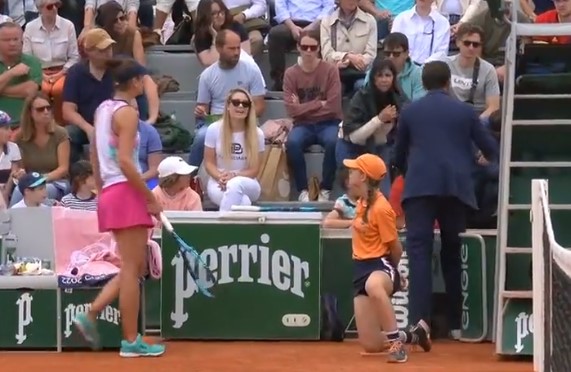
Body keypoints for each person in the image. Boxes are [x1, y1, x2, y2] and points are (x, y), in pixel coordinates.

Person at [393, 61, 497, 341]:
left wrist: (410, 173)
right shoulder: (464, 111)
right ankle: (455, 324)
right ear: (448, 82)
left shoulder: (410, 111)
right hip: (455, 188)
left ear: (424, 83)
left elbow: (397, 155)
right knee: (452, 253)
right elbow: (490, 148)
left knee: (418, 254)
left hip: (419, 189)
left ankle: (419, 323)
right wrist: (470, 165)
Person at [72, 58, 165, 357]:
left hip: (111, 192)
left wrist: (101, 189)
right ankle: (129, 341)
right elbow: (125, 161)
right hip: (125, 191)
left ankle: (92, 313)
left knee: (131, 267)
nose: (146, 83)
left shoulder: (102, 110)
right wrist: (149, 197)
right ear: (136, 82)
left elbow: (96, 157)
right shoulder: (127, 115)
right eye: (144, 79)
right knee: (131, 268)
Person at [342, 153, 431, 363]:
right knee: (370, 344)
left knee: (375, 286)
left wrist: (394, 275)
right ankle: (414, 335)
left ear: (363, 177)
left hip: (380, 265)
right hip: (360, 270)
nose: (349, 173)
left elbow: (395, 247)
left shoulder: (382, 208)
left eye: (353, 170)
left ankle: (397, 347)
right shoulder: (361, 202)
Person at [189, 29, 266, 168]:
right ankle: (190, 179)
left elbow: (259, 106)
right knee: (201, 136)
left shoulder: (252, 70)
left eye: (238, 48)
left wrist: (241, 116)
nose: (236, 52)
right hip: (217, 121)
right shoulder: (207, 75)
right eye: (231, 49)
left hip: (244, 118)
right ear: (219, 48)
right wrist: (201, 111)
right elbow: (203, 108)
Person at [283, 30, 342, 202]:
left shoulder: (330, 70)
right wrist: (318, 103)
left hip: (329, 122)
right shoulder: (291, 74)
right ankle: (302, 190)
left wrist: (302, 106)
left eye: (313, 47)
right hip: (303, 124)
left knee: (334, 142)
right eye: (304, 47)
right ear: (298, 48)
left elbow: (333, 106)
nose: (308, 51)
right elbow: (291, 110)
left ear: (318, 49)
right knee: (292, 142)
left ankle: (326, 188)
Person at [338, 58, 406, 197]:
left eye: (388, 75)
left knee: (384, 194)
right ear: (373, 77)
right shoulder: (361, 96)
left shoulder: (398, 99)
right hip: (351, 146)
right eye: (379, 75)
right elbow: (354, 137)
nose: (384, 80)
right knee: (354, 194)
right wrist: (379, 119)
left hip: (380, 146)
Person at [95, 1, 159, 123]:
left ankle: (147, 121)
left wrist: (153, 118)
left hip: (130, 80)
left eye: (122, 18)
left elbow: (142, 72)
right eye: (115, 20)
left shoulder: (133, 34)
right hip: (107, 82)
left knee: (142, 85)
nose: (120, 22)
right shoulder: (100, 38)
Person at [204, 88, 264, 211]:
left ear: (249, 108)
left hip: (248, 182)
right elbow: (209, 163)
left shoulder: (258, 134)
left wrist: (234, 176)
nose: (240, 106)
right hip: (218, 181)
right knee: (245, 203)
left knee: (235, 184)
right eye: (236, 102)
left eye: (245, 104)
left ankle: (222, 227)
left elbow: (255, 170)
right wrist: (221, 177)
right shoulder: (214, 129)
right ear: (228, 106)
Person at [62, 28, 115, 164]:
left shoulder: (119, 70)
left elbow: (131, 102)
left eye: (109, 48)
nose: (108, 53)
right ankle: (78, 175)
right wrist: (88, 128)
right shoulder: (76, 73)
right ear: (89, 52)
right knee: (67, 134)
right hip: (86, 126)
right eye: (102, 50)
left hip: (116, 126)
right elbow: (68, 111)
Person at [23, 0, 80, 125]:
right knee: (42, 90)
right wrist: (41, 75)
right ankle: (43, 124)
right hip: (39, 71)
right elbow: (27, 58)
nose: (54, 8)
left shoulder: (68, 25)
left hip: (63, 70)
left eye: (57, 5)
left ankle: (62, 124)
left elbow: (75, 57)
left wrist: (60, 74)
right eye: (50, 6)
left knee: (59, 90)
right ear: (40, 9)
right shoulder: (30, 27)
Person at [12, 93, 71, 206]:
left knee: (32, 193)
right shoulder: (20, 137)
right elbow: (21, 167)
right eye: (40, 109)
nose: (46, 112)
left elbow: (63, 169)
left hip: (56, 182)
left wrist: (39, 180)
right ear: (30, 113)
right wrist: (20, 174)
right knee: (22, 191)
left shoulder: (60, 134)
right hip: (29, 184)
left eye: (48, 108)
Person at [0, 21, 42, 133]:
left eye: (16, 39)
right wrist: (11, 73)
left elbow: (30, 90)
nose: (12, 43)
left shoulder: (32, 62)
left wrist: (2, 88)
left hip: (24, 125)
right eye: (7, 40)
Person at [364, 32, 425, 101]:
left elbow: (418, 103)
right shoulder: (374, 71)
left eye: (396, 54)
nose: (391, 57)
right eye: (387, 53)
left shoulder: (417, 73)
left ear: (406, 54)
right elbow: (366, 99)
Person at [194, 0, 251, 67]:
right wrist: (215, 38)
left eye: (221, 11)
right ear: (205, 15)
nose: (220, 15)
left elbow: (245, 55)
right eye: (214, 14)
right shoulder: (201, 34)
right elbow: (209, 62)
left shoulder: (235, 26)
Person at [0, 110, 22, 204]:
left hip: (8, 194)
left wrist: (4, 194)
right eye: (6, 128)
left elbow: (13, 176)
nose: (10, 131)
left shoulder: (13, 147)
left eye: (10, 127)